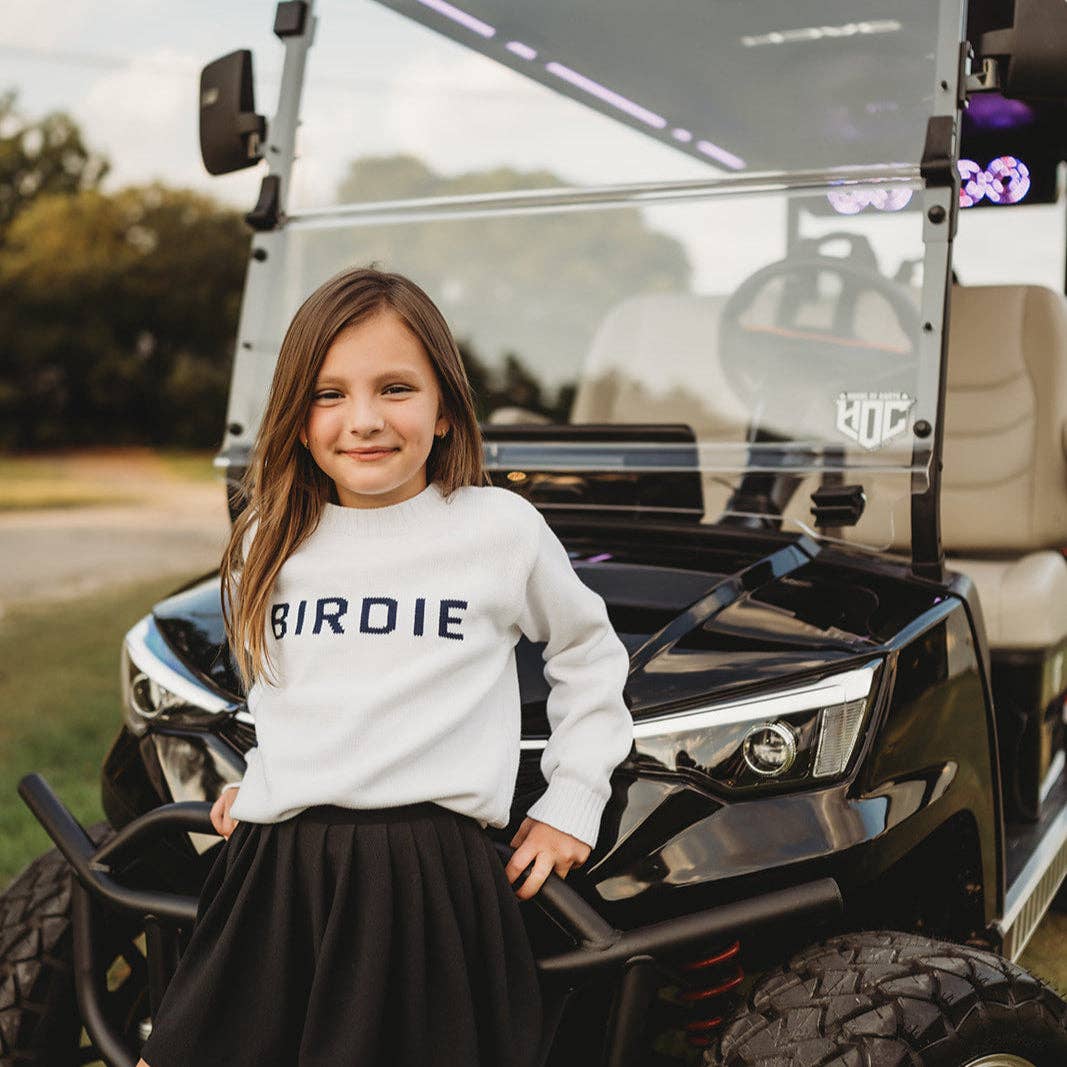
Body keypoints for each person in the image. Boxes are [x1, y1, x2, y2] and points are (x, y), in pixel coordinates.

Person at [135, 265, 635, 1067]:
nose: (362, 420)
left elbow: (587, 654)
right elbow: (289, 683)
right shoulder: (265, 540)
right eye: (328, 394)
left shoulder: (497, 529)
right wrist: (269, 776)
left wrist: (573, 797)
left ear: (443, 410)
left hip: (427, 882)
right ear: (297, 421)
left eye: (395, 388)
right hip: (277, 872)